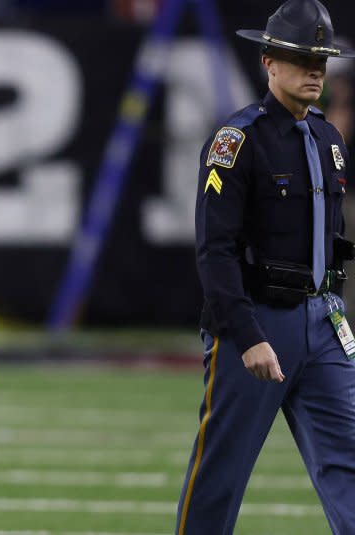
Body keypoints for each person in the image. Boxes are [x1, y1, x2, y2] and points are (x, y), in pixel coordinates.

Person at [176, 1, 355, 534]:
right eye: (303, 58)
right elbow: (215, 248)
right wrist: (245, 334)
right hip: (258, 322)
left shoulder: (328, 139)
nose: (316, 70)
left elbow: (327, 237)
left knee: (349, 457)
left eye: (321, 59)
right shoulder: (238, 141)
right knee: (221, 472)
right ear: (269, 61)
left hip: (322, 322)